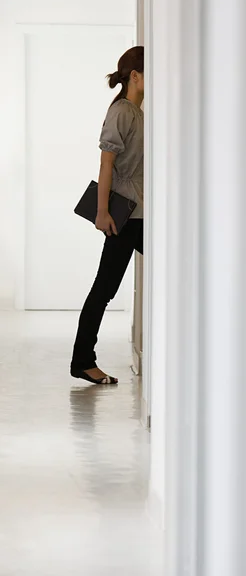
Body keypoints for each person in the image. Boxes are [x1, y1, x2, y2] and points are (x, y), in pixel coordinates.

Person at [71, 46, 144, 385]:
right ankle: (83, 360)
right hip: (127, 215)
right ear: (135, 76)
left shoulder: (137, 112)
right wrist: (102, 212)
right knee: (104, 288)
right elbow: (106, 164)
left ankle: (83, 359)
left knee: (105, 287)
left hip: (139, 212)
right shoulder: (123, 112)